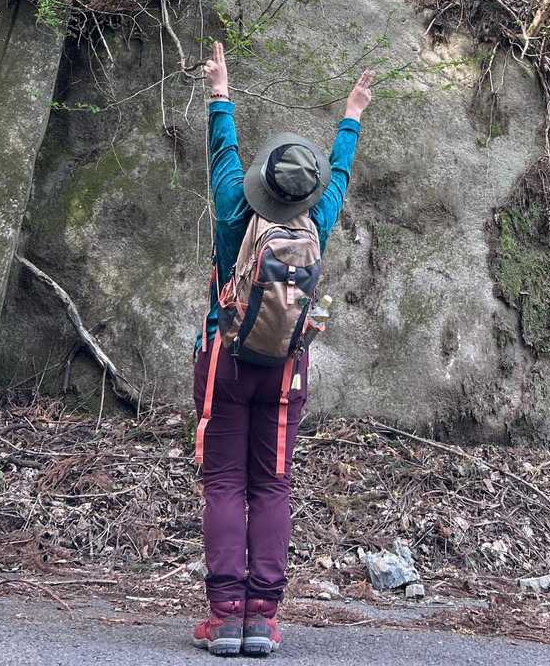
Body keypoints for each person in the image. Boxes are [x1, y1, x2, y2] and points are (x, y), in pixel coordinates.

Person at [191, 41, 375, 658]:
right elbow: (340, 175)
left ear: (261, 182)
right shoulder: (316, 220)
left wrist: (220, 93)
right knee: (271, 485)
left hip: (224, 357)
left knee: (223, 482)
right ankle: (263, 620)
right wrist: (351, 115)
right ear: (307, 191)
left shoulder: (231, 206)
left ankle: (225, 617)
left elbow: (223, 150)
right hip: (287, 366)